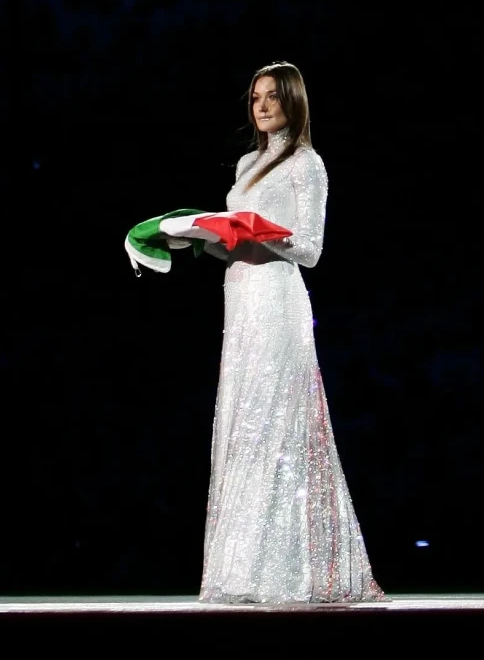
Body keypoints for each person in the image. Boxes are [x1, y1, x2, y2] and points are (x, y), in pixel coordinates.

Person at [198, 61, 383, 604]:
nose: (261, 106)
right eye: (255, 97)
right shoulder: (246, 164)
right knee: (244, 430)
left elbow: (311, 249)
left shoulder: (307, 164)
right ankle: (241, 573)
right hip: (240, 300)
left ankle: (287, 572)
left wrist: (260, 232)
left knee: (277, 429)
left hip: (279, 302)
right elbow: (235, 247)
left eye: (272, 96)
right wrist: (201, 238)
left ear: (293, 102)